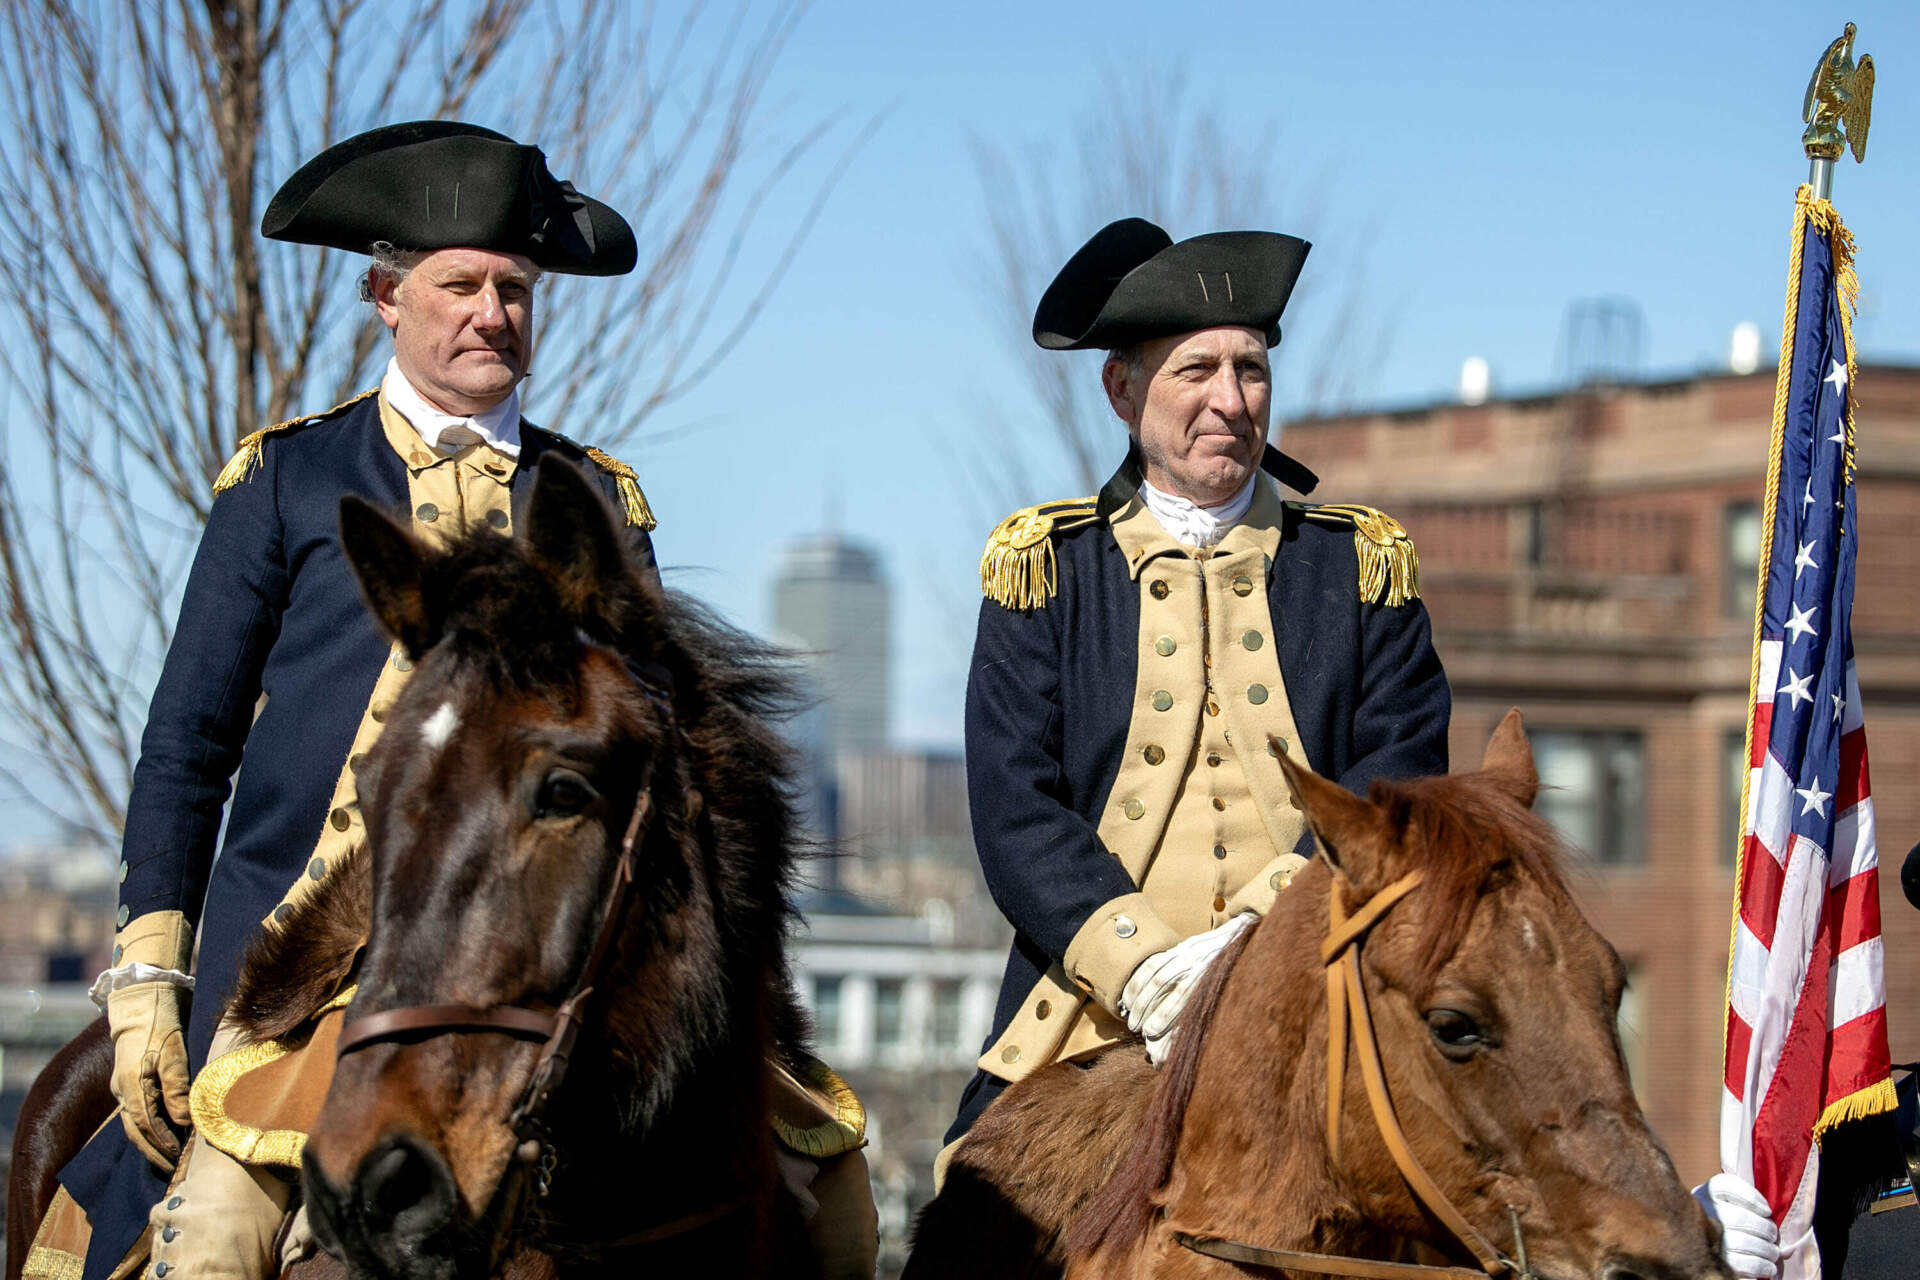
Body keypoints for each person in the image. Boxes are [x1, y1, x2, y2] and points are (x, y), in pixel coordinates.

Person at [30, 121, 654, 1280]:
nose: (490, 311)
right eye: (458, 284)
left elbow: (646, 763)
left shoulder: (598, 502)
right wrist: (149, 981)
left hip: (508, 985)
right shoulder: (286, 479)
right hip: (284, 981)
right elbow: (186, 747)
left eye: (513, 287)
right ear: (384, 297)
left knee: (810, 1190)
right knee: (209, 1242)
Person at [941, 218, 1452, 1157]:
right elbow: (1015, 808)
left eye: (1250, 369)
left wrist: (1258, 941)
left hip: (1325, 997)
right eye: (1196, 370)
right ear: (1121, 391)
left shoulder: (1359, 567)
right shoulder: (1045, 569)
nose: (1230, 399)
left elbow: (1400, 780)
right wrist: (1142, 970)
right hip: (1092, 1025)